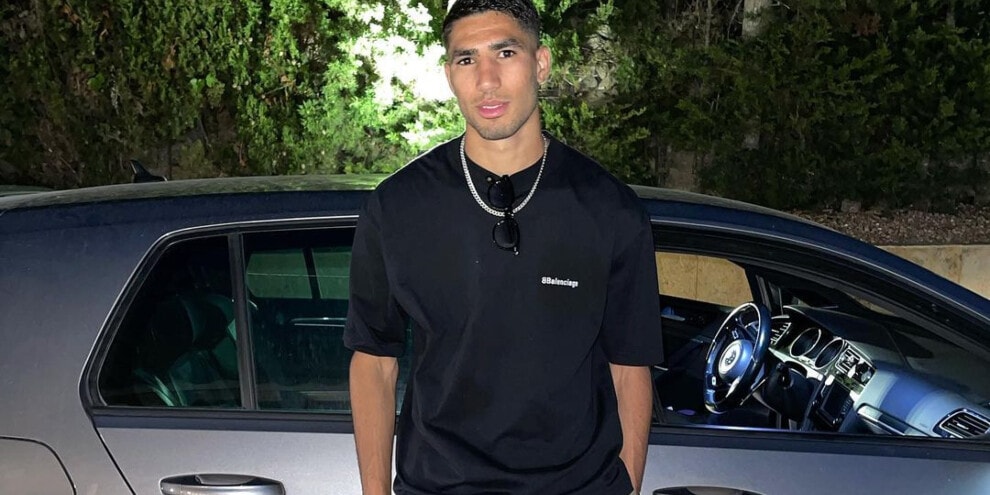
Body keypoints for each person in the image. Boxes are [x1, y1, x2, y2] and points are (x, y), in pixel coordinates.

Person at [344, 0, 663, 493]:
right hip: (438, 486)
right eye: (466, 59)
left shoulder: (609, 209)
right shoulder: (397, 207)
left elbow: (629, 366)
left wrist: (629, 485)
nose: (486, 80)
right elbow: (374, 361)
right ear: (449, 74)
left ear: (541, 63)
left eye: (505, 53)